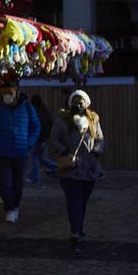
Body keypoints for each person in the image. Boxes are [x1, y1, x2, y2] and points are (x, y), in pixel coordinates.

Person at [48, 89, 105, 244]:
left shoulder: (93, 120)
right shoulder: (62, 121)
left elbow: (100, 139)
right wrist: (63, 150)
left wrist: (96, 151)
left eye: (81, 101)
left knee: (83, 199)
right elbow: (54, 139)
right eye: (75, 100)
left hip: (89, 168)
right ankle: (76, 231)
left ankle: (79, 228)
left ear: (86, 103)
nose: (78, 104)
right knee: (74, 199)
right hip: (70, 169)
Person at [0, 76, 40, 223]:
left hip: (21, 151)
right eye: (4, 92)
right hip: (2, 152)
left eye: (9, 92)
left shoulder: (27, 107)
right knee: (5, 183)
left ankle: (15, 206)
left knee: (18, 183)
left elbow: (36, 126)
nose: (7, 95)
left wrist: (29, 142)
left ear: (16, 92)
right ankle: (10, 208)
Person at [27, 94, 56, 182]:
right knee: (41, 158)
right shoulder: (45, 111)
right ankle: (58, 168)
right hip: (43, 138)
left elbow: (38, 127)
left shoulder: (37, 112)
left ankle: (35, 177)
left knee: (35, 157)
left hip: (39, 138)